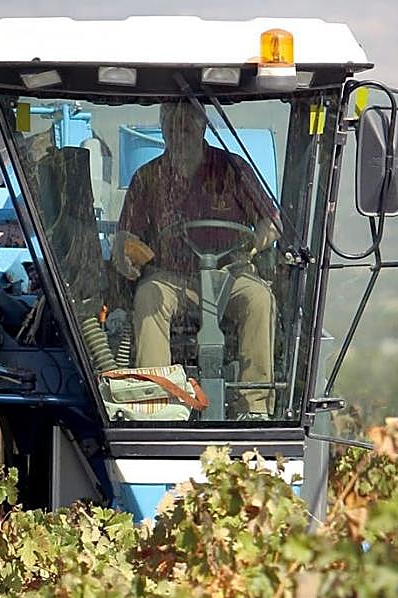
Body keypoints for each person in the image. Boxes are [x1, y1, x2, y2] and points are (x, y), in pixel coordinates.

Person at [115, 101, 279, 417]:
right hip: (171, 276)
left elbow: (271, 221)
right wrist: (126, 254)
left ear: (203, 125)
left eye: (188, 123)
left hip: (230, 273)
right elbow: (126, 235)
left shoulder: (233, 169)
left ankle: (254, 407)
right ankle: (157, 405)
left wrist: (257, 243)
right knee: (148, 296)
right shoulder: (147, 178)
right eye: (172, 123)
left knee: (260, 298)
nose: (181, 130)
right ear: (162, 128)